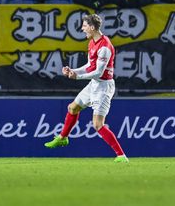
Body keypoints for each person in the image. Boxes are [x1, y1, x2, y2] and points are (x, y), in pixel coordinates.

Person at [44, 13, 129, 163]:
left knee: (97, 125)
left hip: (103, 87)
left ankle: (121, 156)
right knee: (72, 108)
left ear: (92, 27)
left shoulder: (105, 47)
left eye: (84, 26)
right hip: (94, 84)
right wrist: (73, 71)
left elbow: (98, 72)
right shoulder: (92, 43)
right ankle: (63, 138)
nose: (82, 29)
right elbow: (90, 66)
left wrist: (77, 77)